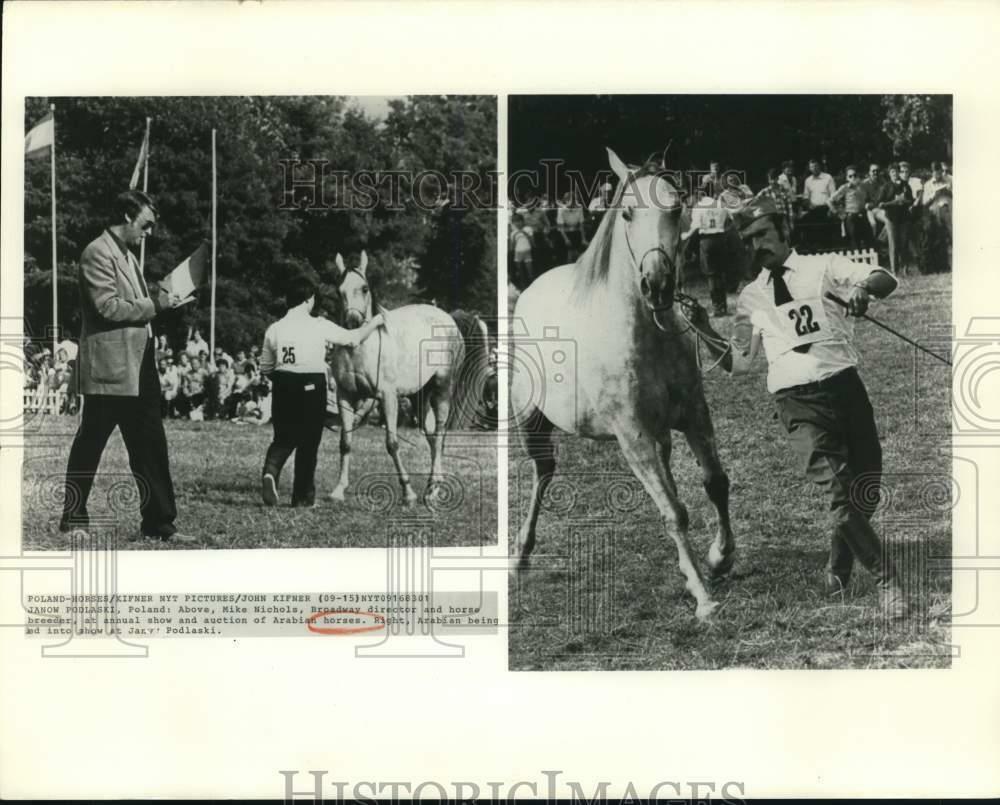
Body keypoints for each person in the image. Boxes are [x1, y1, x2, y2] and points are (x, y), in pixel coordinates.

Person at [684, 197, 909, 618]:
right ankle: (887, 582)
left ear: (785, 232)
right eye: (748, 241)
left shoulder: (823, 266)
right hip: (796, 400)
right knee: (840, 494)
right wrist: (703, 328)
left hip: (845, 388)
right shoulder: (750, 299)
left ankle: (840, 561)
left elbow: (885, 278)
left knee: (865, 488)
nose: (755, 247)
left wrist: (862, 289)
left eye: (762, 236)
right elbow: (739, 362)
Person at [59, 190, 190, 542]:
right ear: (127, 216)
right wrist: (156, 305)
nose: (148, 233)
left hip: (138, 361)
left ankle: (160, 524)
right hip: (110, 367)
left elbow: (131, 303)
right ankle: (74, 519)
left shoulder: (127, 255)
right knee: (91, 442)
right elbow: (108, 307)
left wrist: (161, 296)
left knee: (150, 444)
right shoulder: (96, 253)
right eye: (146, 225)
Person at [259, 273, 385, 507]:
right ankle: (302, 499)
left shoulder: (274, 328)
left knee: (283, 437)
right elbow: (352, 339)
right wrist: (375, 322)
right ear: (308, 299)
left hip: (283, 383)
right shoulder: (319, 325)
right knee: (308, 443)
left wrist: (283, 379)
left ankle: (270, 471)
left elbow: (265, 367)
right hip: (311, 385)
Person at [683, 194, 733, 316]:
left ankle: (717, 307)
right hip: (720, 239)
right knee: (720, 274)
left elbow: (695, 226)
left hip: (707, 240)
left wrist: (686, 236)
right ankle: (723, 306)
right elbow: (731, 220)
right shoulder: (721, 205)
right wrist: (724, 231)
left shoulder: (699, 207)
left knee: (711, 275)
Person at [875, 163, 914, 274]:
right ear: (889, 174)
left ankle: (905, 268)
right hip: (891, 218)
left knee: (904, 243)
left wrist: (904, 201)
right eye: (892, 172)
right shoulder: (886, 187)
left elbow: (911, 200)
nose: (895, 174)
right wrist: (894, 202)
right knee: (893, 245)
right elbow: (880, 204)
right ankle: (894, 271)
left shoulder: (905, 185)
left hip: (904, 218)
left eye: (897, 171)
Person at [827, 165, 874, 250]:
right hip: (851, 217)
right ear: (847, 178)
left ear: (858, 176)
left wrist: (869, 204)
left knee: (869, 242)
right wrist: (839, 213)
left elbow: (871, 199)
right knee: (855, 243)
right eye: (850, 176)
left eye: (855, 175)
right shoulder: (845, 188)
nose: (853, 178)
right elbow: (830, 201)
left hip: (863, 215)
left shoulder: (864, 186)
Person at [800, 158, 837, 249]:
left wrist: (831, 209)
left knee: (826, 228)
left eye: (816, 166)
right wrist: (809, 205)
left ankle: (827, 248)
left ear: (819, 166)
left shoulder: (828, 177)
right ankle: (814, 248)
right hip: (813, 209)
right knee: (808, 224)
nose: (814, 169)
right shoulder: (808, 181)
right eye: (812, 167)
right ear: (809, 169)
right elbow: (806, 197)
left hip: (826, 208)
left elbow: (833, 195)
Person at [556, 190, 587, 263]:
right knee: (569, 255)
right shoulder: (561, 210)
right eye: (569, 201)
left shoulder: (579, 207)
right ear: (565, 201)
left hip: (576, 233)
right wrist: (566, 239)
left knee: (579, 255)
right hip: (564, 234)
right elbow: (561, 227)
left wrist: (583, 238)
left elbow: (581, 225)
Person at [509, 212, 535, 290]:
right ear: (513, 223)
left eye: (519, 221)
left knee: (530, 271)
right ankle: (523, 287)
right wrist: (514, 237)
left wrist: (523, 232)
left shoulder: (528, 229)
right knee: (520, 272)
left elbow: (532, 243)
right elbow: (512, 247)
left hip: (527, 253)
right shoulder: (513, 233)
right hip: (518, 253)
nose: (518, 223)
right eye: (515, 222)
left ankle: (533, 286)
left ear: (523, 221)